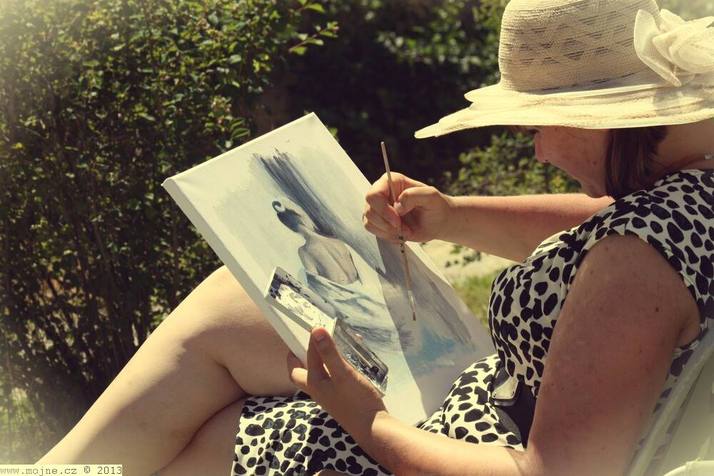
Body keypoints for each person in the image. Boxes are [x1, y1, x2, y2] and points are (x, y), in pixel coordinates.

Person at [36, 0, 714, 475]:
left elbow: (551, 473)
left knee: (209, 437)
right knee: (228, 315)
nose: (535, 147)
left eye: (538, 123)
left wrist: (367, 421)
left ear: (602, 117)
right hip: (484, 405)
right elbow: (596, 221)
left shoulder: (636, 263)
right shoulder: (685, 191)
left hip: (470, 442)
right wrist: (452, 215)